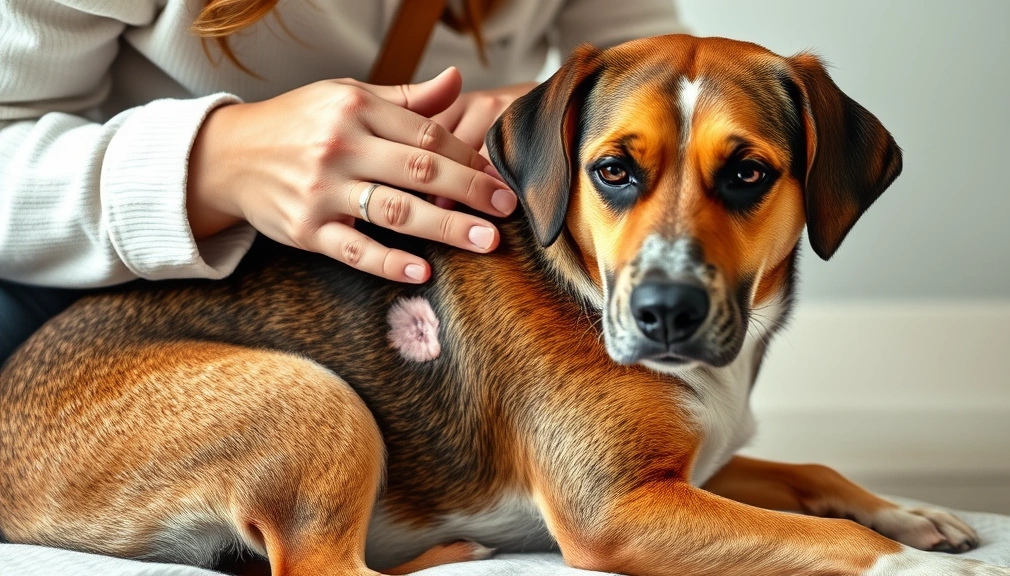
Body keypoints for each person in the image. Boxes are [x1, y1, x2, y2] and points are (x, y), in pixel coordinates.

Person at [0, 0, 685, 363]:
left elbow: (675, 83)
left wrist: (540, 113)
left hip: (387, 315)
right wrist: (214, 164)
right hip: (89, 297)